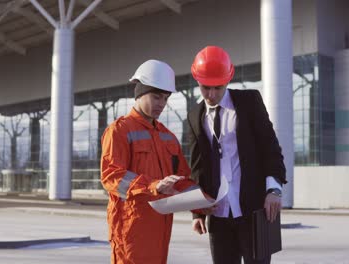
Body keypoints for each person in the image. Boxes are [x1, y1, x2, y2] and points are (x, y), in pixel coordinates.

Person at [187, 46, 287, 264]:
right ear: (197, 81)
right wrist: (197, 212)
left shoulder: (249, 102)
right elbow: (197, 166)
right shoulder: (195, 115)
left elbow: (270, 147)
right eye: (205, 88)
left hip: (253, 211)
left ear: (228, 79)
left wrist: (274, 189)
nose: (211, 95)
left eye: (218, 88)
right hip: (219, 215)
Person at [101, 59, 195, 264]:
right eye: (156, 97)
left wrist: (201, 204)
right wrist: (154, 186)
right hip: (131, 229)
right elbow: (112, 176)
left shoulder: (167, 136)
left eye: (165, 98)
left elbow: (182, 178)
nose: (161, 104)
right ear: (140, 93)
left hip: (160, 229)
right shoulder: (119, 130)